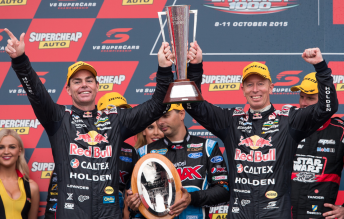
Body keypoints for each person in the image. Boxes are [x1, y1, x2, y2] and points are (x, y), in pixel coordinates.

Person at [4, 27, 173, 219]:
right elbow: (36, 93)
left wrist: (165, 70)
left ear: (97, 86)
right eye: (77, 81)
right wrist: (20, 61)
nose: (84, 84)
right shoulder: (59, 117)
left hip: (108, 214)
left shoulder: (115, 119)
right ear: (68, 89)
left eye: (89, 80)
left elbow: (156, 107)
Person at [183, 42, 338, 218]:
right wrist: (195, 67)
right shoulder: (231, 120)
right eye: (249, 85)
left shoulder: (289, 119)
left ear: (271, 87)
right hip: (239, 214)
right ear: (242, 90)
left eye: (261, 84)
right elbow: (192, 105)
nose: (255, 89)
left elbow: (328, 107)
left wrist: (320, 67)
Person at [126, 104, 230, 219]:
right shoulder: (144, 153)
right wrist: (133, 204)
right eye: (158, 117)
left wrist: (192, 198)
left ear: (181, 114)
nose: (160, 122)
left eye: (165, 116)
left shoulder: (207, 147)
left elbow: (223, 191)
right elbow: (133, 203)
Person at [44, 92, 138, 219]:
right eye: (114, 110)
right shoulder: (74, 145)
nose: (120, 116)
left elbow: (132, 194)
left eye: (124, 111)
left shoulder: (130, 152)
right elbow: (55, 196)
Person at [290, 73, 344, 219]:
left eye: (310, 98)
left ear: (324, 101)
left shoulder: (340, 131)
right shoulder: (286, 126)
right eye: (302, 96)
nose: (303, 103)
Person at [0, 129, 40, 219]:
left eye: (12, 147)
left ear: (19, 151)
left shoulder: (32, 187)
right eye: (1, 147)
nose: (6, 151)